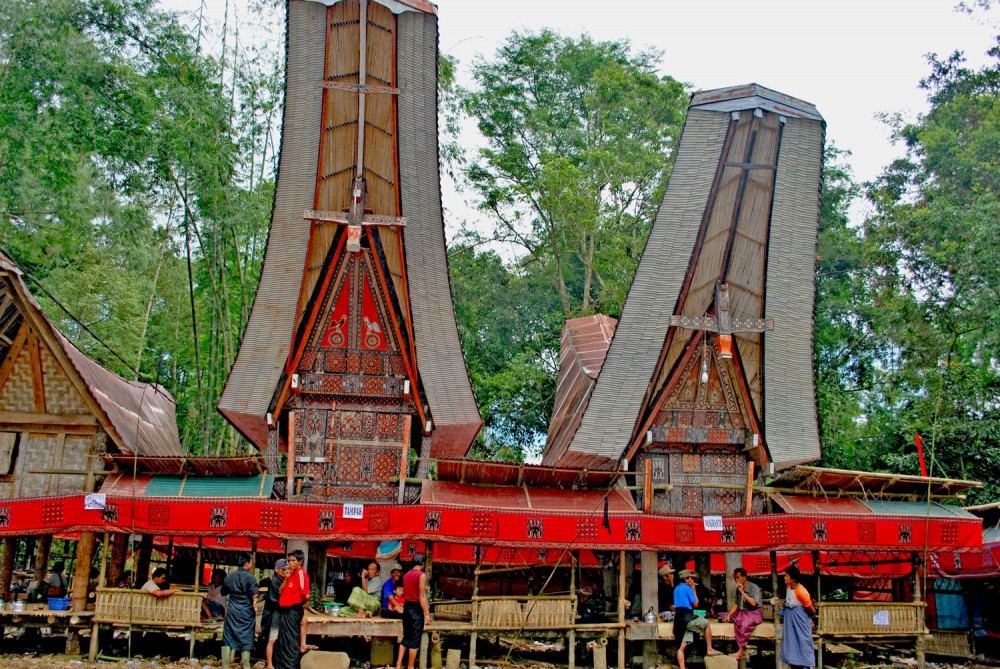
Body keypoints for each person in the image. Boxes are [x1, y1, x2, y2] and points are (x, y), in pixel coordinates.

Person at [674, 569, 719, 669]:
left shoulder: (676, 588)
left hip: (678, 619)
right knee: (706, 623)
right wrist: (693, 589)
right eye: (690, 578)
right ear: (686, 579)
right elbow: (696, 603)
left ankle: (682, 667)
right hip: (687, 617)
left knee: (681, 646)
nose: (692, 580)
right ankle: (710, 648)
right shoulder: (687, 588)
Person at [274, 550, 310, 669]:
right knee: (283, 640)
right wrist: (286, 578)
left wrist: (301, 605)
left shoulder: (301, 574)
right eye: (289, 560)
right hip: (285, 611)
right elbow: (280, 591)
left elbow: (306, 595)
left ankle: (291, 666)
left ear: (300, 562)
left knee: (291, 640)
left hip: (293, 610)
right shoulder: (290, 574)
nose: (290, 563)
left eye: (293, 560)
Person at [221, 553, 258, 669]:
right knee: (246, 638)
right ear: (247, 563)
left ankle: (225, 665)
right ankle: (246, 665)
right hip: (246, 613)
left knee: (228, 637)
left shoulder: (230, 576)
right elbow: (255, 595)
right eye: (251, 562)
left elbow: (223, 592)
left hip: (232, 611)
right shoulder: (251, 578)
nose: (251, 564)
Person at [394, 554, 431, 669]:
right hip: (416, 608)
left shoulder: (406, 575)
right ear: (423, 564)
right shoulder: (421, 575)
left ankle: (398, 664)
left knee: (406, 638)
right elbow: (422, 596)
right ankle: (410, 667)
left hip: (407, 607)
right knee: (414, 641)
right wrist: (427, 614)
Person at [779, 565, 816, 669]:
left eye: (786, 576)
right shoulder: (788, 587)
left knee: (803, 642)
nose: (784, 577)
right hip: (790, 621)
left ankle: (805, 665)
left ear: (793, 579)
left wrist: (808, 619)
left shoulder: (801, 592)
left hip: (800, 620)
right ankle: (793, 663)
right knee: (791, 642)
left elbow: (812, 610)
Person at [723, 567, 763, 660]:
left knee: (744, 625)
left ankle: (741, 650)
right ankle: (738, 648)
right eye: (735, 578)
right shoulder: (739, 588)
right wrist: (729, 615)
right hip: (743, 612)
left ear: (744, 577)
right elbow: (737, 604)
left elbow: (753, 603)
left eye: (738, 577)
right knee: (730, 618)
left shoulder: (754, 588)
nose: (736, 580)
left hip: (754, 613)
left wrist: (742, 592)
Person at [261, 559, 288, 669]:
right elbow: (276, 601)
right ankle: (270, 664)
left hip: (279, 615)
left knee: (277, 641)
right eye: (283, 569)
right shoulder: (275, 582)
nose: (285, 571)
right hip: (273, 616)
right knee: (272, 640)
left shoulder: (282, 581)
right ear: (277, 570)